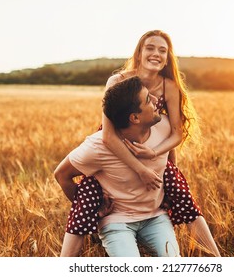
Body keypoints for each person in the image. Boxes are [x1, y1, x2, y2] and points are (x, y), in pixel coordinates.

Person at [58, 30, 220, 257]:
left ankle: (218, 259)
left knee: (183, 195)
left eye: (162, 50)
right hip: (115, 141)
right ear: (140, 52)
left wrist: (154, 154)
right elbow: (108, 135)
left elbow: (175, 133)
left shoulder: (169, 86)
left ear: (168, 57)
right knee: (88, 193)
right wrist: (140, 169)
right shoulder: (117, 80)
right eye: (150, 48)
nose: (156, 54)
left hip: (153, 142)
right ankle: (75, 251)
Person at [54, 76, 180, 257]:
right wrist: (93, 211)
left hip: (156, 218)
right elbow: (61, 175)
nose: (155, 100)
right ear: (135, 118)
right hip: (117, 222)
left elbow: (171, 152)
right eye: (147, 99)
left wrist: (169, 190)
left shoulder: (165, 127)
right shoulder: (97, 147)